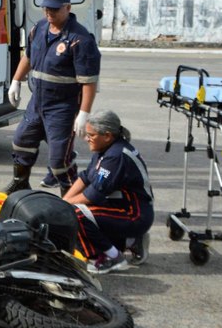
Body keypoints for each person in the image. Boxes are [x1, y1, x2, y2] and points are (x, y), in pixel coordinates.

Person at [6, 0, 101, 194]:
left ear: (67, 8)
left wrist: (83, 114)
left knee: (59, 161)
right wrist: (16, 80)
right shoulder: (38, 29)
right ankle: (20, 182)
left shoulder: (80, 39)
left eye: (55, 9)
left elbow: (89, 81)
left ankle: (71, 199)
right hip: (37, 103)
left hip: (62, 108)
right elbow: (28, 58)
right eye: (46, 8)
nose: (49, 13)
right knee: (21, 142)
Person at [61, 110, 154, 274]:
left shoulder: (116, 156)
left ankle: (111, 258)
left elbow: (93, 195)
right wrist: (64, 200)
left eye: (91, 135)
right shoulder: (106, 149)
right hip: (121, 208)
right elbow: (86, 178)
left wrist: (64, 206)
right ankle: (131, 241)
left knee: (76, 214)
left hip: (135, 215)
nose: (86, 138)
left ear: (107, 135)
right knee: (70, 208)